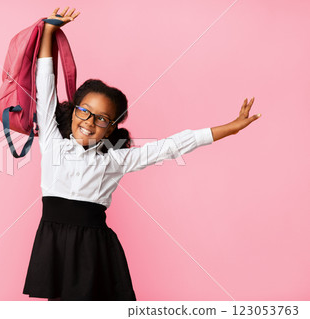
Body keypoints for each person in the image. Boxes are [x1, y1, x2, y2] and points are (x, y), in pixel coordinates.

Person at [22, 6, 261, 301]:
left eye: (102, 119)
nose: (90, 122)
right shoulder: (52, 141)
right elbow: (45, 86)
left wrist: (230, 128)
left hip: (94, 248)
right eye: (84, 111)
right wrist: (48, 32)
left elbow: (172, 146)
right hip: (54, 243)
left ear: (110, 129)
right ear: (73, 111)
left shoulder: (115, 160)